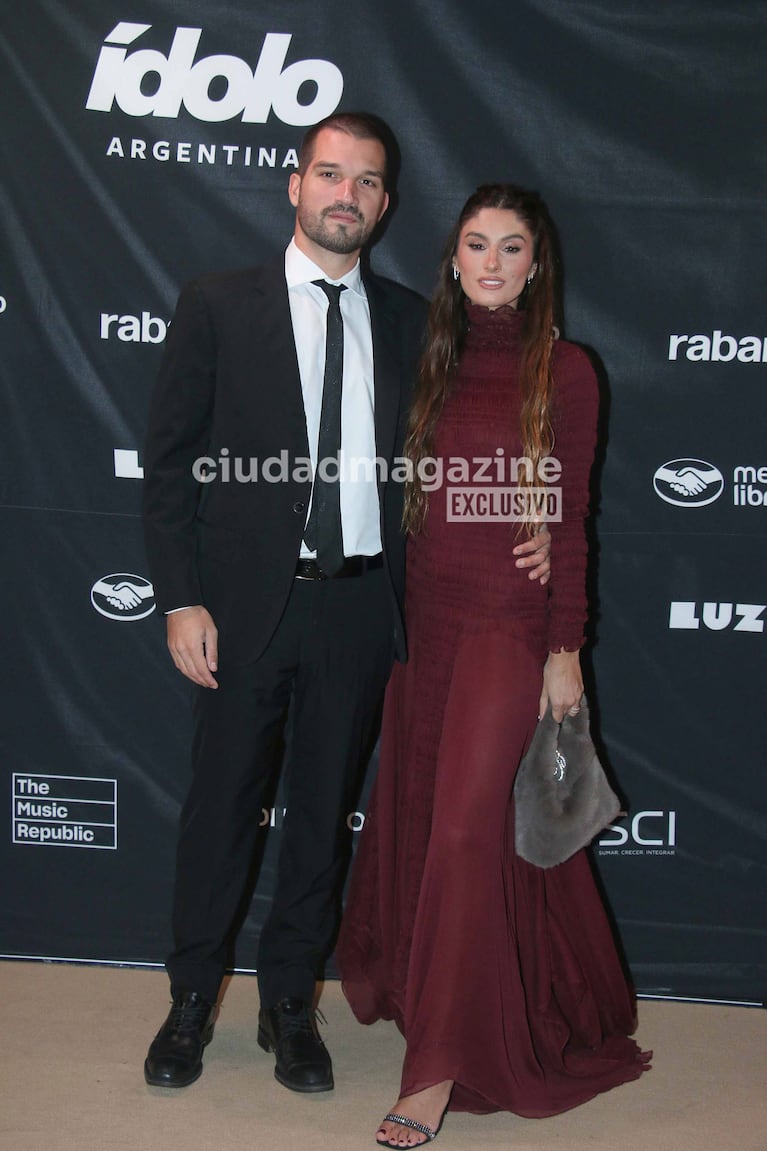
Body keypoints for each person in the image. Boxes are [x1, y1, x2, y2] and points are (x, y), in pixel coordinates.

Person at [141, 122, 550, 1095]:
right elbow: (168, 467)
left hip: (364, 610)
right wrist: (179, 597)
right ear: (294, 186)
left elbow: (468, 448)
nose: (346, 193)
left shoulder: (414, 320)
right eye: (329, 173)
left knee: (322, 818)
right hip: (244, 610)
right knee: (220, 814)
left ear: (384, 204)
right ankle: (191, 997)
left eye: (367, 181)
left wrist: (530, 516)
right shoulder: (216, 305)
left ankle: (291, 1002)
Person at [337, 184, 651, 1146]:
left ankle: (434, 1066)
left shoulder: (566, 370)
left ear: (534, 263)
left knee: (471, 830)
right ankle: (456, 984)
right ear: (453, 257)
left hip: (507, 627)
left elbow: (569, 522)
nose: (490, 262)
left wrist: (566, 650)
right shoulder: (421, 356)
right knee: (434, 820)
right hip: (422, 619)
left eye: (511, 248)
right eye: (475, 244)